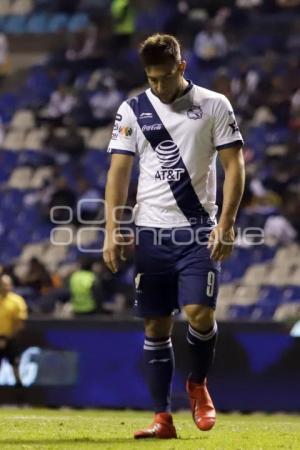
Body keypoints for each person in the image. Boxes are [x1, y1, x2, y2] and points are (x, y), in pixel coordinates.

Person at [103, 33, 245, 439]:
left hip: (199, 230)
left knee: (200, 313)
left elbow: (235, 167)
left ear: (181, 68)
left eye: (166, 78)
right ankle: (162, 419)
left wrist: (228, 223)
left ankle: (197, 383)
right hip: (150, 232)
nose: (160, 88)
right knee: (155, 326)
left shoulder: (214, 105)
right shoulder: (133, 110)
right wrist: (113, 229)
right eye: (152, 80)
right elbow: (118, 173)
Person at [0, 274, 28, 387]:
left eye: (7, 284)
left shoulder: (17, 301)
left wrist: (6, 339)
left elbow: (20, 324)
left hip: (11, 340)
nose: (4, 287)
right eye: (2, 284)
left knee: (16, 368)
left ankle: (20, 400)